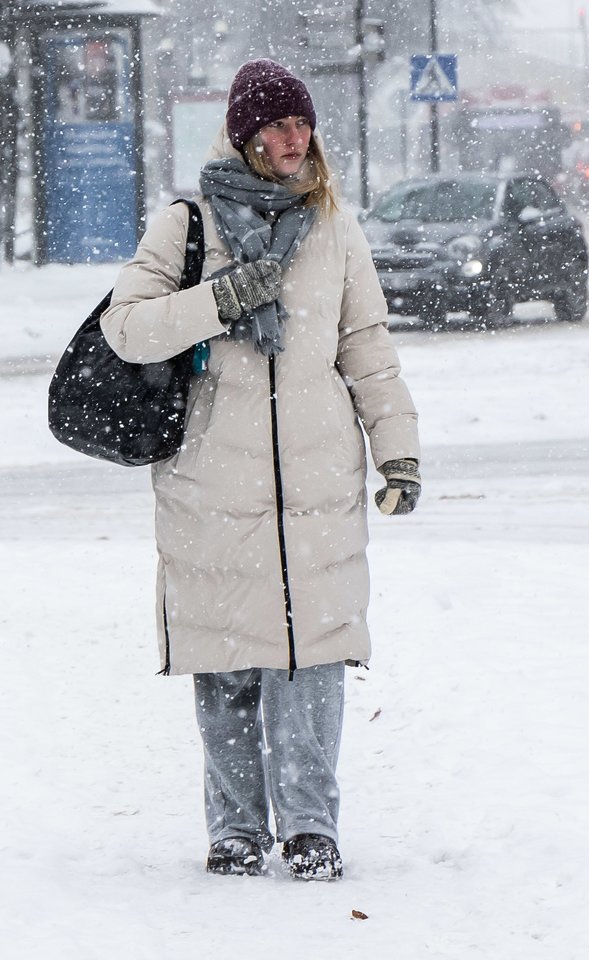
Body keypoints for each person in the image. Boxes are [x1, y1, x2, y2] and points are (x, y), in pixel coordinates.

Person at [100, 59, 420, 881]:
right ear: (245, 136)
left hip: (317, 483)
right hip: (212, 480)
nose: (295, 137)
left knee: (313, 660)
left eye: (303, 123)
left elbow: (367, 347)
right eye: (278, 125)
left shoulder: (334, 228)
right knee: (228, 663)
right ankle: (236, 830)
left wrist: (398, 450)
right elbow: (126, 329)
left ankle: (312, 829)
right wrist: (222, 297)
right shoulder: (187, 224)